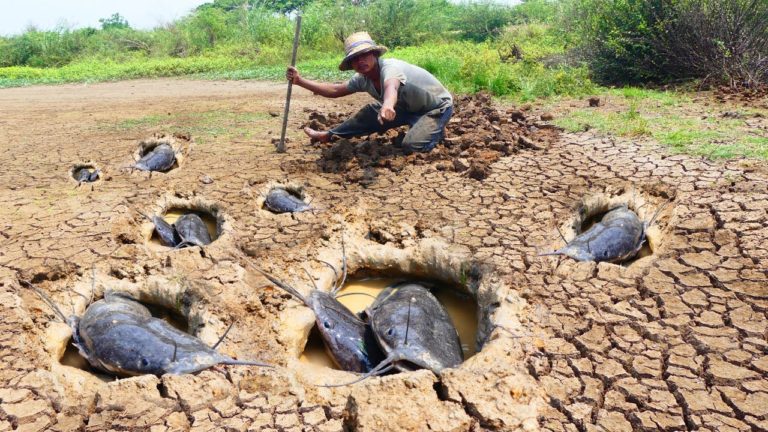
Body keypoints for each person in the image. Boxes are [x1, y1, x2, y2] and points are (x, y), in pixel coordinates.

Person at [286, 32, 453, 154]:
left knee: (411, 146)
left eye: (364, 55)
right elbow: (335, 90)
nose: (360, 61)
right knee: (369, 112)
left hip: (436, 107)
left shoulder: (390, 68)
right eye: (355, 58)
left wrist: (387, 106)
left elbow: (391, 87)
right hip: (408, 108)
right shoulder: (362, 78)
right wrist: (300, 81)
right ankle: (328, 135)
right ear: (351, 64)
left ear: (374, 54)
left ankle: (434, 132)